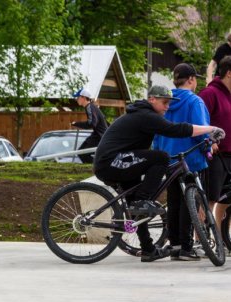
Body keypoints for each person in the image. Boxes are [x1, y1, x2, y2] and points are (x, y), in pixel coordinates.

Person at [94, 85, 223, 262]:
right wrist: (209, 128)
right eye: (164, 103)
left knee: (138, 212)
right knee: (161, 158)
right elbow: (177, 130)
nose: (167, 107)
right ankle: (143, 199)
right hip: (111, 162)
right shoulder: (145, 116)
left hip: (120, 162)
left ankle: (148, 250)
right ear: (152, 99)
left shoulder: (143, 114)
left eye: (169, 103)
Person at [152, 64, 210, 261]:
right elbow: (200, 131)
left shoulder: (166, 101)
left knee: (174, 202)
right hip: (190, 160)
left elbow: (157, 132)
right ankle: (186, 247)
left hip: (168, 159)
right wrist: (208, 150)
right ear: (191, 79)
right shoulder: (195, 101)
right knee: (190, 202)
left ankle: (175, 245)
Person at [199, 56, 231, 231]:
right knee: (210, 198)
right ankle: (201, 238)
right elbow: (199, 121)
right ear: (229, 73)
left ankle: (221, 236)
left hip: (229, 154)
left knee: (226, 200)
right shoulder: (209, 93)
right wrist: (209, 141)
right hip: (215, 154)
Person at [71, 88, 108, 163]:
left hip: (99, 136)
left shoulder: (90, 107)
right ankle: (96, 167)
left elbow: (91, 123)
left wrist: (76, 124)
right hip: (97, 135)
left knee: (83, 154)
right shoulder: (91, 107)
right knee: (81, 153)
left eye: (77, 97)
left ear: (83, 97)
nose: (76, 99)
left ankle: (95, 169)